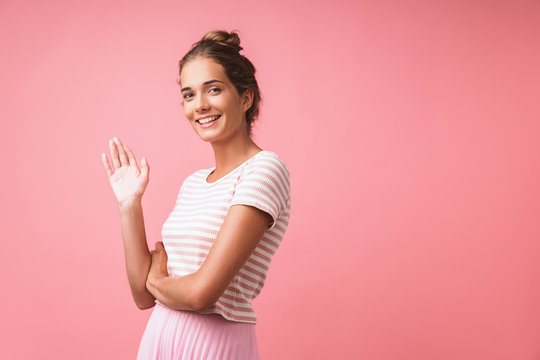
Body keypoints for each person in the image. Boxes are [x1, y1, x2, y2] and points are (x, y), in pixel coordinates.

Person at [101, 30, 291, 359]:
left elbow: (201, 293)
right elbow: (142, 297)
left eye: (213, 89)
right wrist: (129, 203)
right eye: (189, 95)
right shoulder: (194, 183)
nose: (200, 105)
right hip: (160, 337)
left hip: (215, 344)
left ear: (245, 97)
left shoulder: (264, 169)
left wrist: (157, 282)